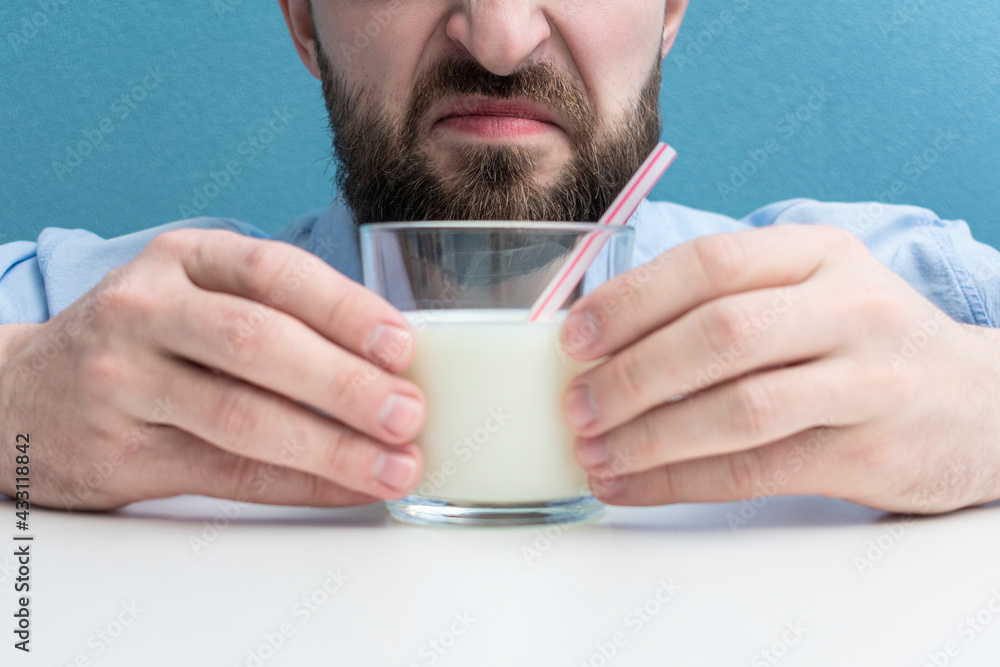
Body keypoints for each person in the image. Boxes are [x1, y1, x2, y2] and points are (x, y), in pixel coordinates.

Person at [1, 0, 998, 515]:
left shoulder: (894, 305)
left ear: (671, 10)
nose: (501, 36)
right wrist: (16, 406)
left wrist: (979, 415)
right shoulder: (92, 327)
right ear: (303, 19)